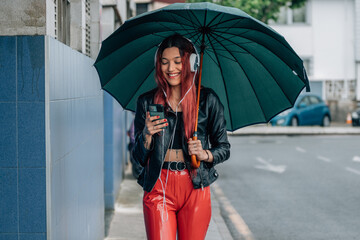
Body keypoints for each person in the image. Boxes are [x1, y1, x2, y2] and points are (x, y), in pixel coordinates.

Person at [131, 34, 230, 240]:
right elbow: (138, 157)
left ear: (190, 63)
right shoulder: (147, 102)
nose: (171, 68)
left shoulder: (207, 100)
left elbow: (224, 148)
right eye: (164, 62)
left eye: (178, 61)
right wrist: (147, 135)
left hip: (195, 186)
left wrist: (205, 154)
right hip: (159, 185)